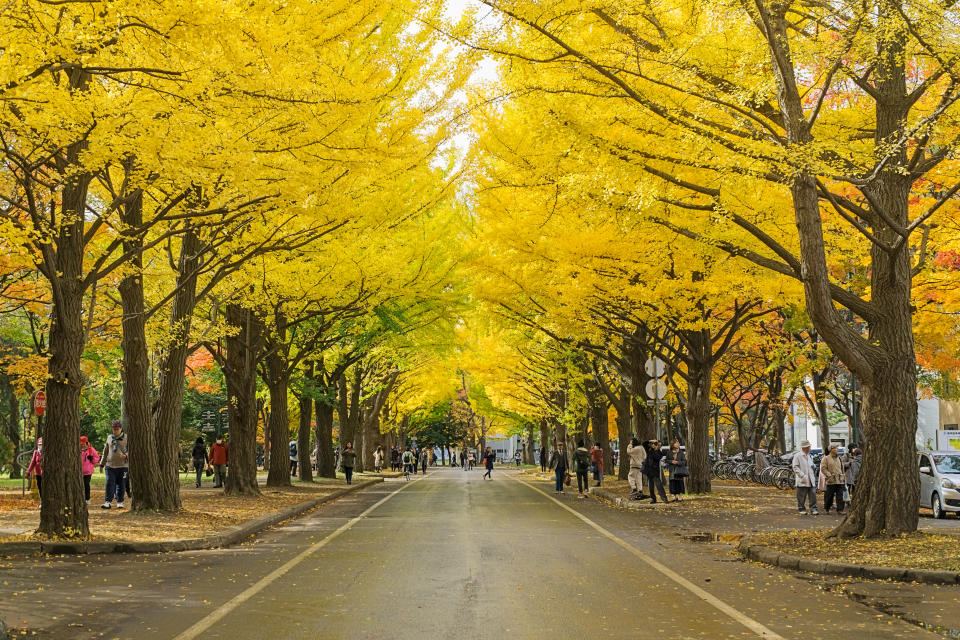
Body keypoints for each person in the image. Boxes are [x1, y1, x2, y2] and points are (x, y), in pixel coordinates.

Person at [99, 421, 129, 509]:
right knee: (110, 483)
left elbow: (132, 450)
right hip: (110, 466)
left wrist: (126, 455)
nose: (115, 431)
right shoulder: (109, 438)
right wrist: (102, 464)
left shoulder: (126, 438)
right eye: (113, 429)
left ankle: (120, 502)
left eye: (117, 429)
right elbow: (105, 451)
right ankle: (107, 502)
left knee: (121, 484)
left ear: (121, 429)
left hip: (123, 466)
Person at [791, 440, 818, 515]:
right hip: (802, 479)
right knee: (801, 496)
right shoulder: (797, 456)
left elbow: (811, 464)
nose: (810, 448)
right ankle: (801, 508)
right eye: (809, 446)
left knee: (813, 495)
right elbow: (795, 467)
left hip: (810, 478)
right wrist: (802, 475)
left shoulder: (809, 456)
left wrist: (814, 466)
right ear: (805, 447)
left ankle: (813, 509)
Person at [821, 444, 846, 514]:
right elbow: (823, 468)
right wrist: (829, 475)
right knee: (829, 495)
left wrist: (843, 477)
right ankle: (827, 508)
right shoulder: (826, 458)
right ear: (830, 450)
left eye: (836, 448)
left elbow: (842, 468)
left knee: (840, 496)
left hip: (840, 480)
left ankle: (840, 510)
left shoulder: (839, 458)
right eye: (834, 448)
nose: (836, 449)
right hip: (831, 480)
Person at [643, 439, 668, 504]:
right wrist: (650, 441)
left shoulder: (659, 453)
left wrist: (656, 449)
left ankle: (664, 498)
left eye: (659, 445)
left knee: (659, 485)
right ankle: (653, 499)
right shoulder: (649, 449)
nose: (657, 446)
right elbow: (644, 444)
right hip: (648, 470)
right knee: (650, 486)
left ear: (660, 446)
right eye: (656, 444)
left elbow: (656, 457)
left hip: (655, 471)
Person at [80, 436, 100, 501]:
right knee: (79, 485)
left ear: (86, 442)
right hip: (79, 471)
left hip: (87, 471)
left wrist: (92, 459)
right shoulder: (77, 449)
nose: (82, 445)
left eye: (83, 444)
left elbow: (97, 458)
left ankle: (87, 498)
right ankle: (80, 498)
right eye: (81, 444)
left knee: (86, 484)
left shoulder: (91, 449)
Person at [26, 438, 42, 503]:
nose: (40, 446)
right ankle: (42, 500)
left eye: (41, 444)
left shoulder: (46, 452)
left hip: (45, 473)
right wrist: (28, 471)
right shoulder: (36, 452)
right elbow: (33, 462)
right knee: (40, 487)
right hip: (38, 473)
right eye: (39, 444)